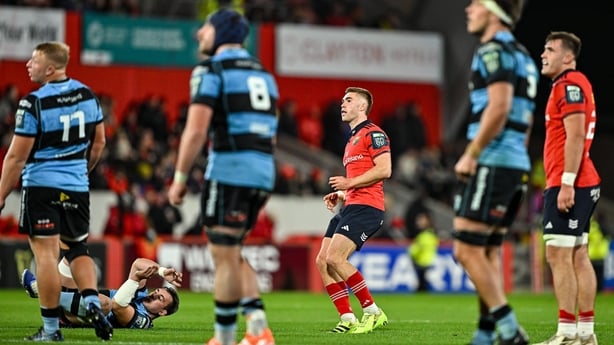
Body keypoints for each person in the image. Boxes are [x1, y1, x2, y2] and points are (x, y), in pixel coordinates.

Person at [167, 9, 278, 345]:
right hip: (262, 170)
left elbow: (196, 129)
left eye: (206, 27)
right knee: (232, 252)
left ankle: (225, 338)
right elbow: (271, 135)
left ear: (221, 32)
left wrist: (180, 177)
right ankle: (258, 328)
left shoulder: (211, 69)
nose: (199, 33)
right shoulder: (264, 73)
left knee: (223, 256)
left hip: (231, 169)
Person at [0, 41, 112, 342]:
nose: (28, 64)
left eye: (34, 61)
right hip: (77, 187)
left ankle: (51, 330)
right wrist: (79, 173)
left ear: (50, 68)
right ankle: (91, 301)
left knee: (46, 257)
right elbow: (99, 143)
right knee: (77, 249)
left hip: (41, 186)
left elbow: (16, 157)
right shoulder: (88, 96)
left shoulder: (33, 103)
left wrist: (0, 196)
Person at [453, 1, 538, 345]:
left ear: (493, 11)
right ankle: (485, 334)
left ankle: (509, 330)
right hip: (515, 161)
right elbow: (526, 118)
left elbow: (499, 107)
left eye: (474, 3)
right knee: (486, 251)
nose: (467, 9)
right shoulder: (524, 56)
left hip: (493, 159)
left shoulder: (492, 51)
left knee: (465, 249)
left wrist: (472, 154)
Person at [533, 31, 600, 345]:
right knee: (577, 255)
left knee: (558, 256)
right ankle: (584, 333)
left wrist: (567, 183)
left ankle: (567, 333)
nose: (543, 54)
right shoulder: (576, 83)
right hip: (583, 180)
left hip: (569, 181)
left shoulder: (568, 85)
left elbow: (574, 136)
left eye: (550, 49)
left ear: (568, 57)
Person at [316, 86, 391, 334]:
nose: (342, 104)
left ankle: (372, 312)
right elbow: (363, 178)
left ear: (362, 107)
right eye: (342, 101)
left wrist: (348, 183)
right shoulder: (351, 141)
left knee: (336, 258)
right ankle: (347, 318)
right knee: (323, 262)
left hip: (367, 208)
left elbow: (384, 170)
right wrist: (342, 193)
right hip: (352, 203)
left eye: (349, 100)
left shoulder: (374, 134)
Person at [22, 257, 181, 329]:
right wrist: (162, 271)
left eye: (160, 298)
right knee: (75, 257)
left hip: (76, 316)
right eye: (157, 291)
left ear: (162, 311)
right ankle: (47, 290)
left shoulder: (143, 321)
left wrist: (135, 278)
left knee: (106, 304)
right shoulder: (140, 294)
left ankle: (42, 291)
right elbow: (138, 263)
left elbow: (118, 306)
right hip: (77, 299)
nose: (154, 294)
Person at [408, 210, 439, 292]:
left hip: (422, 261)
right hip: (426, 261)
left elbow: (417, 249)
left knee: (421, 283)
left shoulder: (425, 235)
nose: (418, 222)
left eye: (421, 220)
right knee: (422, 282)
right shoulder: (431, 234)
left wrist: (411, 252)